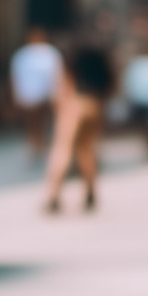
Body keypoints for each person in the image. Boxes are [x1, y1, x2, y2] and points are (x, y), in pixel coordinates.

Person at [44, 44, 116, 213]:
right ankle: (90, 192)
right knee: (86, 150)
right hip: (94, 104)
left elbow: (62, 86)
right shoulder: (99, 57)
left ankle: (54, 196)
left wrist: (61, 106)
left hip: (75, 104)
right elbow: (110, 84)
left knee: (63, 149)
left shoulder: (71, 59)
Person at [9, 27, 62, 157]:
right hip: (28, 94)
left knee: (43, 120)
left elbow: (57, 74)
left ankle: (41, 143)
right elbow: (15, 76)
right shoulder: (22, 55)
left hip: (45, 94)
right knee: (31, 121)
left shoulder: (50, 53)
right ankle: (34, 143)